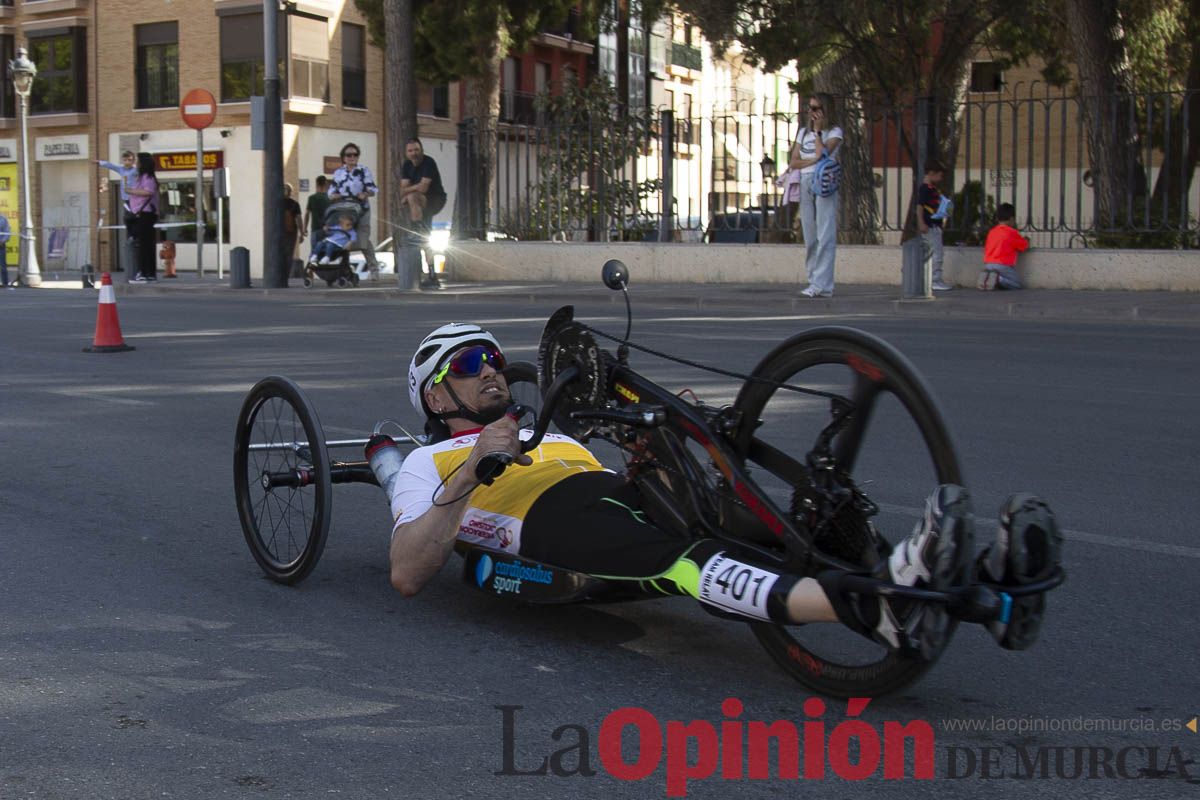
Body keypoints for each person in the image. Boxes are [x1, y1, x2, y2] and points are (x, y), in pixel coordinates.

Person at [381, 323, 1055, 657]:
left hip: (608, 492)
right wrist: (474, 467)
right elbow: (409, 570)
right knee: (686, 563)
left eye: (495, 359)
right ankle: (881, 606)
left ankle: (986, 590)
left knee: (770, 521)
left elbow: (634, 482)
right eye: (471, 364)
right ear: (437, 394)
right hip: (549, 526)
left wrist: (674, 441)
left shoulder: (551, 434)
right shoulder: (428, 464)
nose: (492, 371)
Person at [790, 93, 843, 298]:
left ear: (825, 110)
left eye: (815, 108)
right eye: (809, 108)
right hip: (805, 182)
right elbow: (794, 162)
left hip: (824, 182)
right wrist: (813, 160)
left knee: (825, 233)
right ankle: (813, 280)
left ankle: (824, 285)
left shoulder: (834, 132)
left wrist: (819, 133)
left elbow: (825, 154)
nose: (811, 112)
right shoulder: (803, 133)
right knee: (810, 235)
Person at [399, 138, 448, 288]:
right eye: (411, 151)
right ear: (407, 153)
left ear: (421, 150)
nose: (414, 153)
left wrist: (408, 192)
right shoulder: (406, 165)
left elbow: (424, 188)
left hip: (435, 199)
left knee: (412, 197)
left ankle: (415, 230)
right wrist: (410, 190)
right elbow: (402, 190)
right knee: (426, 236)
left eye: (416, 150)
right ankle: (432, 275)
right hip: (419, 205)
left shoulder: (428, 162)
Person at [329, 143, 379, 279]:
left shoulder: (364, 170)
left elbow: (373, 189)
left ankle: (373, 269)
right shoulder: (339, 173)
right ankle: (344, 269)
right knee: (344, 238)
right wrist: (335, 195)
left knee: (363, 240)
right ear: (343, 158)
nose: (352, 157)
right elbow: (331, 191)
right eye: (348, 155)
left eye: (355, 154)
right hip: (345, 210)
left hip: (361, 209)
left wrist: (365, 193)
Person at [918, 159, 954, 291]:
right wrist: (921, 222)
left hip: (935, 225)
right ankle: (934, 280)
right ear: (932, 173)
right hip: (930, 226)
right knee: (937, 254)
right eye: (939, 175)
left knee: (934, 253)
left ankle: (931, 279)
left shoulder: (932, 189)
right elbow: (920, 206)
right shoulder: (925, 189)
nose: (941, 178)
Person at [979, 203, 1030, 290]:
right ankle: (998, 279)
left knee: (997, 278)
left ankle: (987, 278)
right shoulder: (1011, 233)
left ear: (997, 218)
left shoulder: (992, 232)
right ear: (1011, 219)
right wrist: (1026, 240)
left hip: (988, 264)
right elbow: (1024, 246)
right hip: (1003, 265)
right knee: (1016, 284)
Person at [127, 153, 160, 283]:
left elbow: (148, 191)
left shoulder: (147, 177)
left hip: (145, 214)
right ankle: (149, 273)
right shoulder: (144, 177)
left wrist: (131, 191)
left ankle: (143, 273)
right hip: (145, 214)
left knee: (144, 245)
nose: (136, 164)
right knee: (146, 244)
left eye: (138, 161)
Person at [98, 150, 138, 242]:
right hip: (126, 198)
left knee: (133, 217)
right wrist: (100, 162)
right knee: (127, 218)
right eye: (125, 160)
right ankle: (130, 236)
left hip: (135, 197)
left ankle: (135, 236)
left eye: (129, 160)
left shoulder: (135, 170)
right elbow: (111, 165)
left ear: (133, 161)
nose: (127, 162)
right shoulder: (121, 169)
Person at [303, 175, 331, 258]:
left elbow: (307, 214)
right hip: (328, 230)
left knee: (314, 253)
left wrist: (304, 228)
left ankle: (312, 270)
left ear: (317, 184)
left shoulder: (312, 198)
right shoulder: (329, 199)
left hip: (316, 229)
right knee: (326, 253)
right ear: (326, 184)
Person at [282, 183, 304, 279]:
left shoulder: (276, 203)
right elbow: (298, 219)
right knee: (289, 254)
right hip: (291, 232)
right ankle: (285, 275)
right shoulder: (294, 204)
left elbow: (299, 219)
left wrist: (302, 232)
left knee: (283, 254)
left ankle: (283, 274)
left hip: (282, 233)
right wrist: (302, 233)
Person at [0, 213, 11, 289]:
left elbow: (7, 232)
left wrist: (2, 241)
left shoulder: (3, 219)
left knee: (3, 265)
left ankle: (5, 283)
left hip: (1, 245)